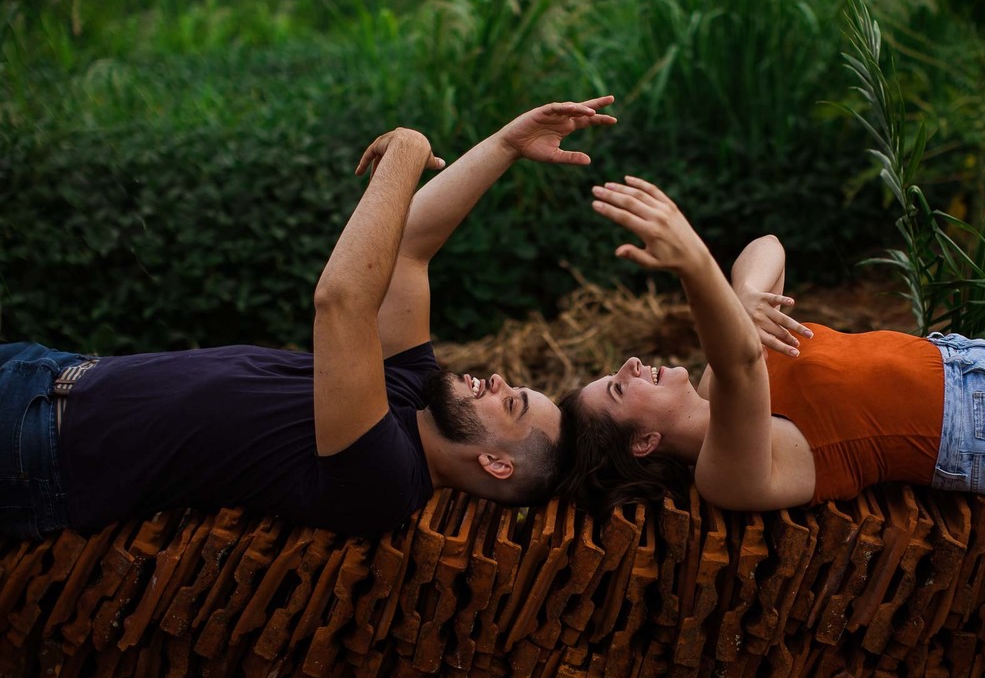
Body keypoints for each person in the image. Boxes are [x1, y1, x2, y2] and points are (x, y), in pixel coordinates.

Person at [0, 96, 617, 540]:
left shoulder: (386, 481)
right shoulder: (410, 391)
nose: (501, 382)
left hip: (34, 450)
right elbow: (408, 248)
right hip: (47, 374)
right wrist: (505, 145)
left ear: (496, 465)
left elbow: (342, 302)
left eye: (512, 404)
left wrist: (406, 149)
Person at [556, 175, 985, 514]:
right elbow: (743, 361)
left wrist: (745, 297)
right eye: (618, 387)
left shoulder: (715, 379)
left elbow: (768, 247)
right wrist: (694, 263)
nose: (630, 365)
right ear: (643, 443)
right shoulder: (726, 474)